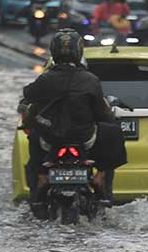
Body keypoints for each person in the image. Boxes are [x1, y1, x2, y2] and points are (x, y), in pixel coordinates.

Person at [21, 29, 127, 214]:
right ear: (79, 51)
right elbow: (102, 113)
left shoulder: (45, 78)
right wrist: (110, 119)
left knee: (34, 146)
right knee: (114, 131)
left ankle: (40, 179)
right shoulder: (90, 80)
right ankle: (100, 178)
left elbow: (28, 94)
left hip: (50, 139)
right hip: (84, 138)